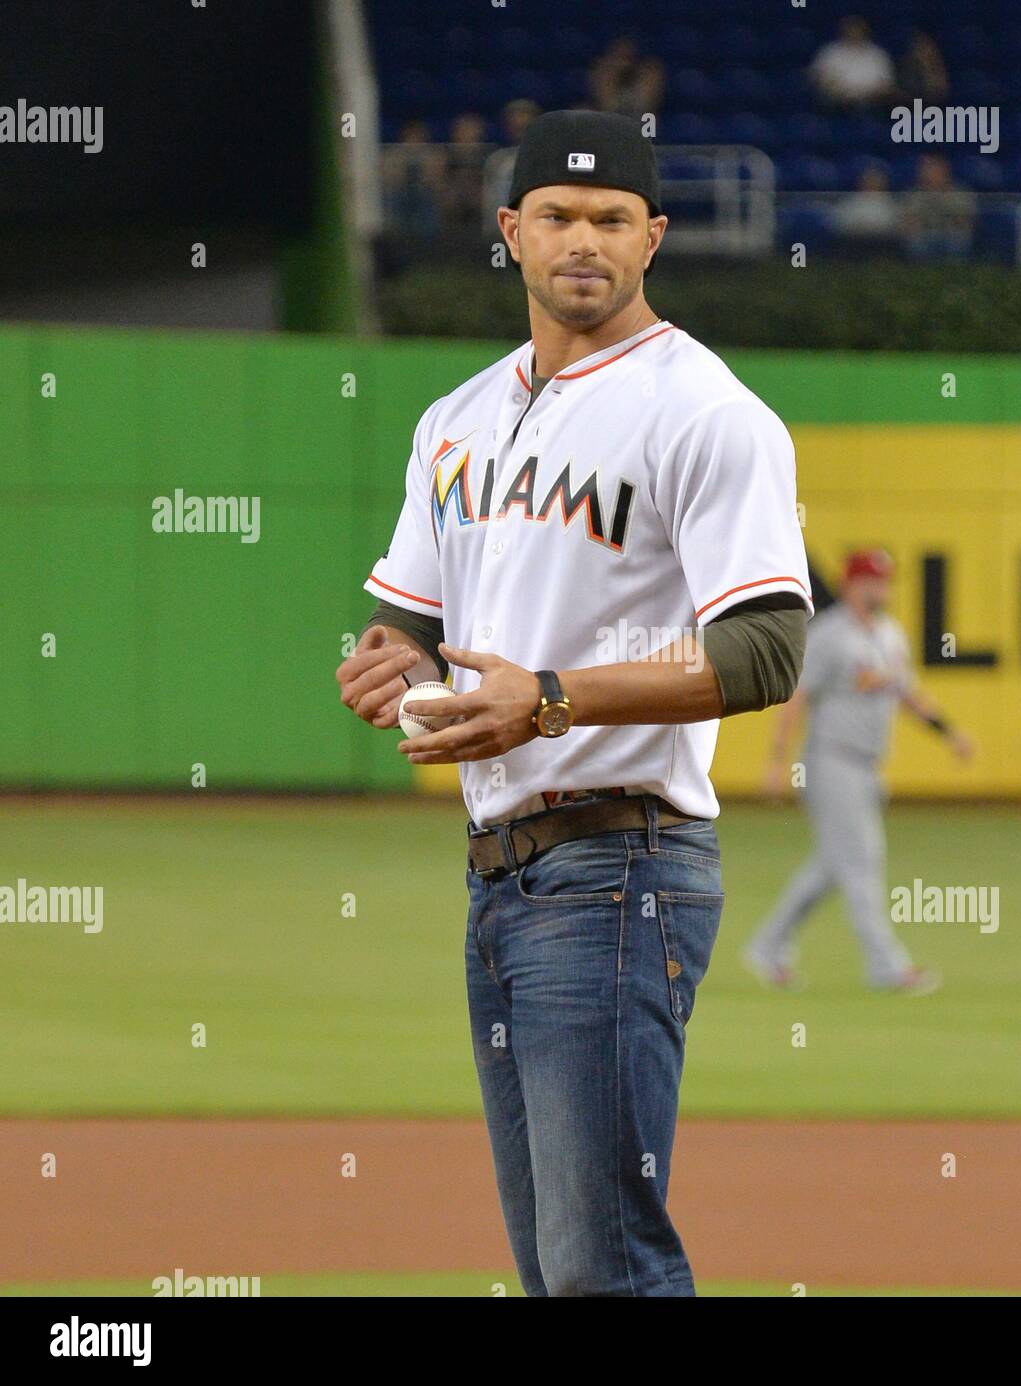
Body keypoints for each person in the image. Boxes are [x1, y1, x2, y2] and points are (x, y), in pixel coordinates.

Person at [335, 109, 812, 1296]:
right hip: (498, 875)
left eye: (611, 219)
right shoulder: (454, 419)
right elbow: (418, 622)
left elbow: (764, 651)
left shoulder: (705, 412)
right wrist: (387, 656)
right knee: (555, 1266)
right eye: (556, 215)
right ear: (510, 232)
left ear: (654, 237)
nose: (582, 240)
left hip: (622, 866)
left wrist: (550, 699)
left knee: (604, 1265)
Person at [744, 548, 973, 995]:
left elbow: (909, 694)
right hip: (832, 760)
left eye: (885, 581)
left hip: (868, 764)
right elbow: (798, 698)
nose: (880, 588)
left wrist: (948, 732)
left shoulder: (890, 635)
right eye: (871, 580)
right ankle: (886, 966)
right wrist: (777, 761)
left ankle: (768, 945)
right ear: (850, 583)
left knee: (834, 865)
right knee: (863, 858)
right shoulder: (830, 635)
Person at [809, 16, 896, 111]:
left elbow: (886, 84)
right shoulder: (830, 52)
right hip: (837, 102)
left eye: (858, 30)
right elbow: (820, 80)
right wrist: (844, 93)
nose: (854, 33)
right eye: (851, 30)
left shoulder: (878, 55)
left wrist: (866, 94)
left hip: (872, 102)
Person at [898, 153, 975, 261]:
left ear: (945, 170)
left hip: (949, 234)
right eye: (926, 168)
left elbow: (965, 222)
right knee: (916, 243)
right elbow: (908, 222)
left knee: (958, 241)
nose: (929, 172)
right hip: (925, 235)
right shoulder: (913, 194)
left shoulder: (959, 192)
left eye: (934, 167)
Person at [589, 36, 665, 119]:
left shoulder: (648, 76)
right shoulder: (605, 76)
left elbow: (643, 107)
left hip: (639, 124)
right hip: (610, 123)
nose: (624, 62)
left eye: (627, 57)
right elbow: (608, 107)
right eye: (620, 57)